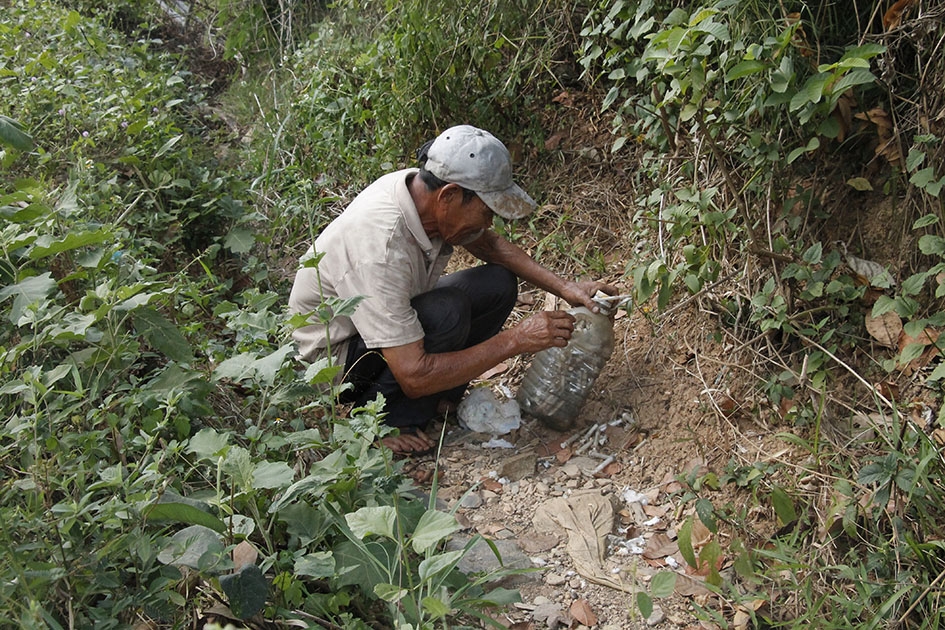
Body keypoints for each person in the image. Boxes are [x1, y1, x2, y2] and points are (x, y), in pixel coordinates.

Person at [288, 125, 617, 454]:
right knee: (448, 310)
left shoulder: (423, 190)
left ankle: (438, 398)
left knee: (497, 284)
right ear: (448, 196)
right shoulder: (380, 248)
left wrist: (565, 288)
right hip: (338, 367)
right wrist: (517, 340)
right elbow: (413, 372)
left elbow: (490, 246)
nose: (488, 224)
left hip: (379, 330)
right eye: (486, 212)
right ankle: (383, 423)